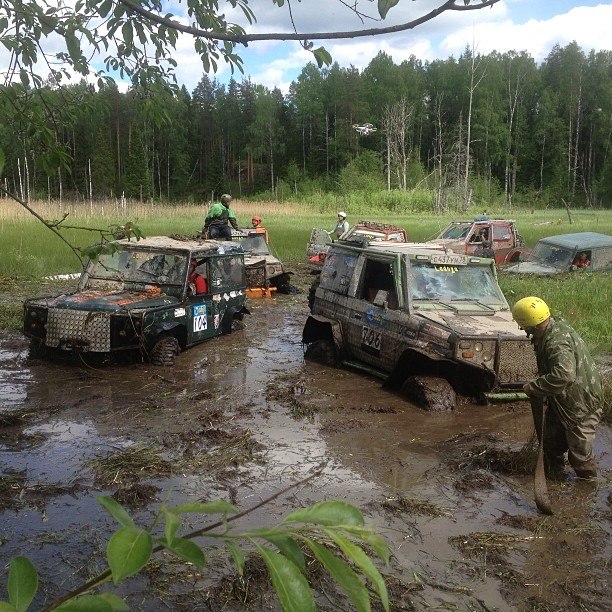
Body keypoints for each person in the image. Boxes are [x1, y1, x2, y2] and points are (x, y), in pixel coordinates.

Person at [511, 296, 603, 480]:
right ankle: (554, 480)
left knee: (580, 456)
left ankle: (588, 490)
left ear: (531, 326)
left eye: (523, 326)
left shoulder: (556, 342)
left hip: (580, 403)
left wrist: (535, 387)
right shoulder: (552, 326)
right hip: (562, 399)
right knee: (551, 444)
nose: (521, 329)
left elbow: (565, 375)